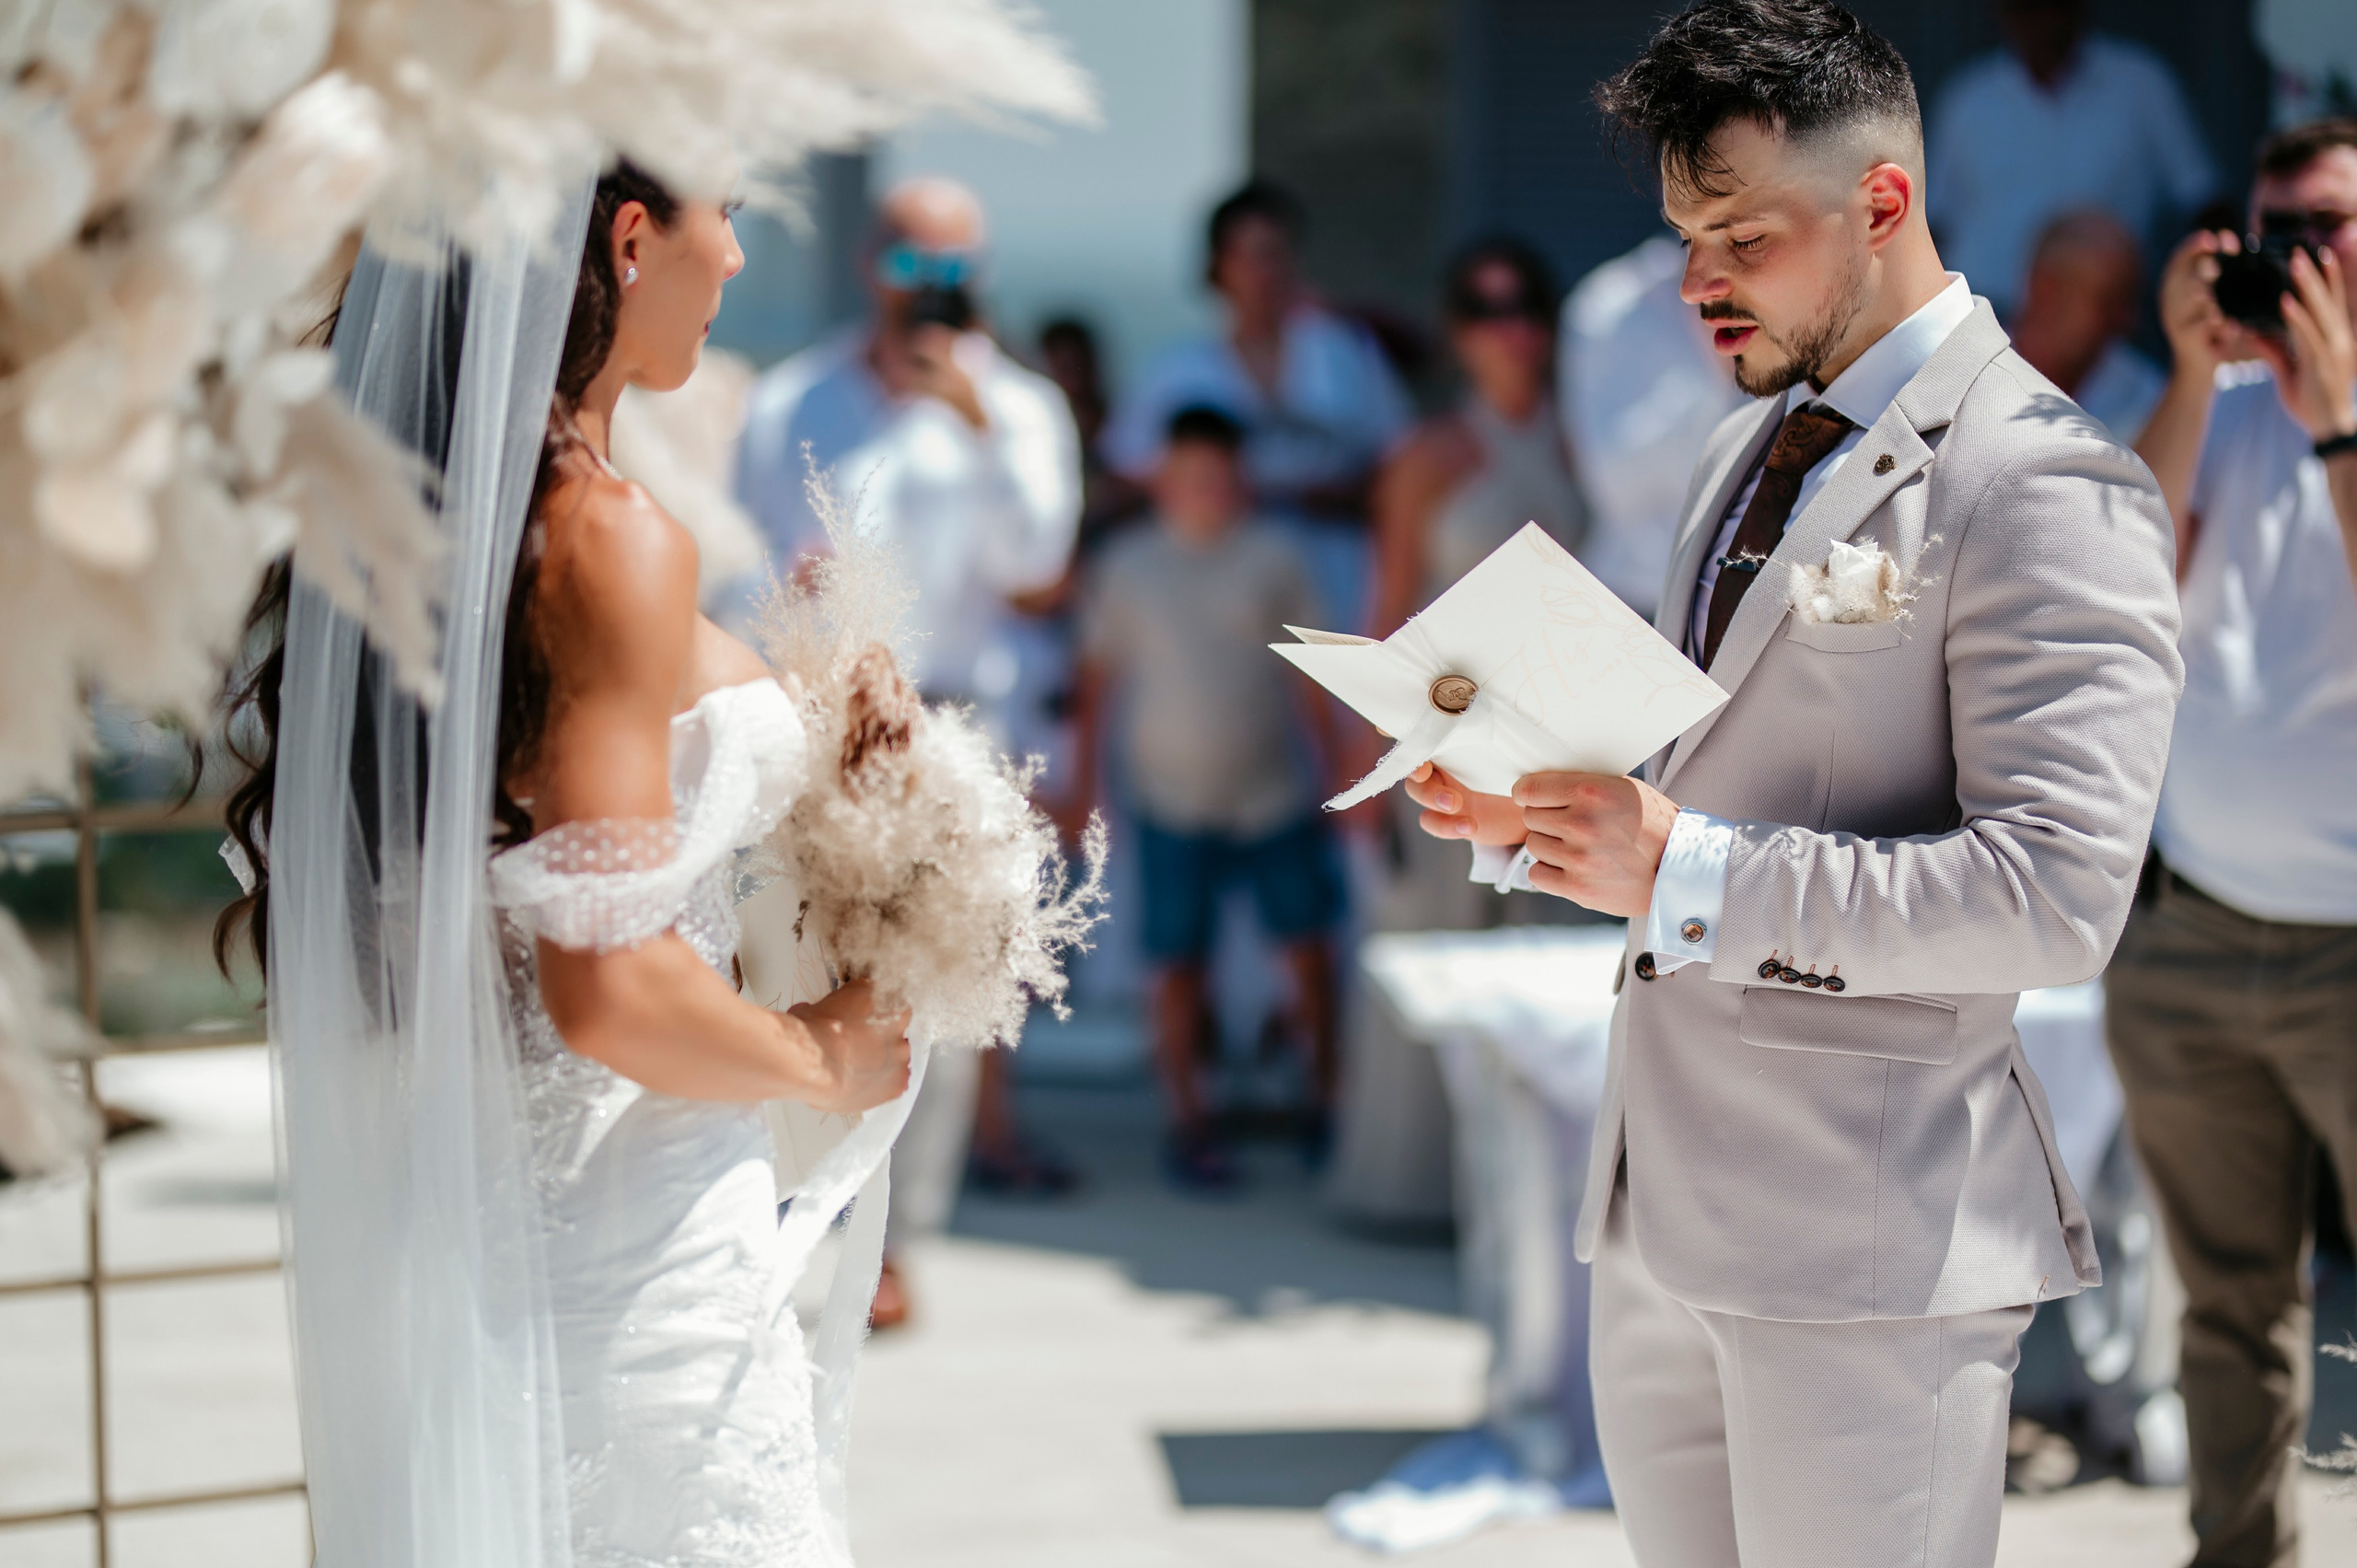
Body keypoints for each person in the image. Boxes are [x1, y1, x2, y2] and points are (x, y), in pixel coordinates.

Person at [1407, 5, 2184, 1563]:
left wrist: (1680, 861)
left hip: (1869, 1246)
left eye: (1741, 235)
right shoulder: (1741, 446)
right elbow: (1725, 765)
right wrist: (1543, 797)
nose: (1697, 281)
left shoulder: (2048, 481)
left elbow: (2052, 897)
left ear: (1882, 203)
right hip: (1656, 1216)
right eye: (1688, 234)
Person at [219, 166, 914, 1565]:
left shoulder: (412, 532)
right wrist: (822, 1054)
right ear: (632, 236)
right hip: (643, 1270)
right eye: (722, 209)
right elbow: (605, 986)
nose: (732, 255)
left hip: (483, 1254)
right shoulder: (607, 537)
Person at [734, 175, 1083, 1320]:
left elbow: (1037, 569)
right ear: (873, 264)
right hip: (823, 721)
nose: (934, 292)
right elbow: (751, 556)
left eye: (954, 270)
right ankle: (805, 1206)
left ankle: (895, 1239)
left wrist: (977, 432)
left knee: (936, 983)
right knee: (804, 957)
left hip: (958, 720)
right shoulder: (795, 397)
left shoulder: (1018, 408)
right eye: (913, 266)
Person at [2109, 114, 2357, 1568]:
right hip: (2192, 927)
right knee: (2227, 1306)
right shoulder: (2211, 400)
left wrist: (2335, 406)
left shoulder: (2329, 412)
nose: (2293, 262)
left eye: (2326, 228)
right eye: (2274, 233)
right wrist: (2200, 371)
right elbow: (2123, 577)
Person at [1323, 239, 1589, 1225]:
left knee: (1543, 963)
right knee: (1432, 949)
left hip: (1562, 739)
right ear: (1456, 331)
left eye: (1525, 304)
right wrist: (1363, 770)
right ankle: (1418, 1190)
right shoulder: (1428, 457)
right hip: (1448, 737)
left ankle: (1525, 1204)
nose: (1508, 326)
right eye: (1483, 309)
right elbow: (1385, 613)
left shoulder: (1583, 442)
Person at [1060, 405, 1348, 1191]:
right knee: (1175, 963)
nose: (1207, 490)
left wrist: (1346, 780)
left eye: (1221, 476)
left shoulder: (1274, 555)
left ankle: (1325, 1101)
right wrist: (1086, 792)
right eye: (1191, 476)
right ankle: (1188, 1119)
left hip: (1273, 792)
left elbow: (1313, 674)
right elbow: (1097, 682)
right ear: (1163, 479)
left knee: (1309, 949)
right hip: (1167, 798)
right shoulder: (1127, 564)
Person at [1100, 181, 1411, 634]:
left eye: (1278, 254)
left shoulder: (1346, 355)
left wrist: (1336, 496)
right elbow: (1127, 476)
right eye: (1252, 255)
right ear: (1218, 267)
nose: (1267, 272)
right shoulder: (1174, 374)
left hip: (1340, 589)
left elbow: (1403, 467)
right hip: (1220, 609)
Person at [1926, 0, 2215, 321]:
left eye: (2053, 7)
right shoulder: (1968, 98)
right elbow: (1933, 226)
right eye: (2027, 9)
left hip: (2108, 332)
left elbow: (2204, 200)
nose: (2041, 22)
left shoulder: (2142, 85)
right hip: (1983, 320)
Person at [1557, 235, 1749, 618]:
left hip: (1752, 604)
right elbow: (1610, 482)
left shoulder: (1795, 286)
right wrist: (1718, 373)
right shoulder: (1609, 304)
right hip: (1631, 600)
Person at [2011, 208, 2166, 442]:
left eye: (2129, 302)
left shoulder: (2151, 399)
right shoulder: (1970, 365)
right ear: (2046, 289)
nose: (2126, 321)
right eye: (2107, 299)